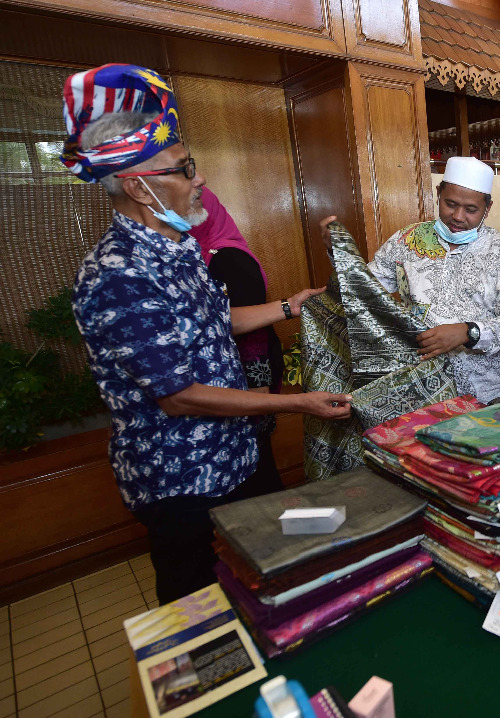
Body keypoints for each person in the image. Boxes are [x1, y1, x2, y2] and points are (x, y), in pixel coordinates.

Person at [63, 64, 352, 603]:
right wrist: (297, 403)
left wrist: (289, 306)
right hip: (184, 481)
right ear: (139, 187)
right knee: (199, 608)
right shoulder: (119, 274)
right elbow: (179, 396)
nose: (199, 180)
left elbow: (217, 322)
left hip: (236, 457)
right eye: (184, 169)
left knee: (263, 579)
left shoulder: (179, 251)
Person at [368, 155, 500, 403]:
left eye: (471, 210)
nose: (458, 216)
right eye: (450, 204)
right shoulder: (407, 241)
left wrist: (468, 332)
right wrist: (339, 253)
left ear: (487, 208)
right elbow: (366, 287)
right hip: (417, 385)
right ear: (438, 194)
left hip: (481, 391)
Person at [190, 188, 285, 494]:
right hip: (226, 391)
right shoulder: (193, 258)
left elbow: (252, 336)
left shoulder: (228, 259)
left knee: (256, 479)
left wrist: (259, 395)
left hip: (246, 386)